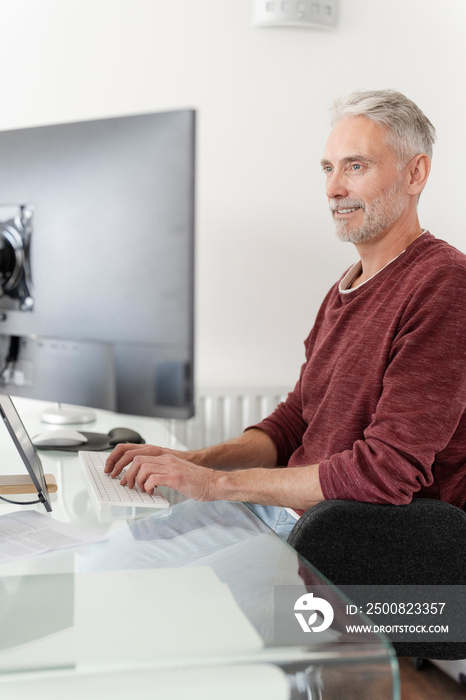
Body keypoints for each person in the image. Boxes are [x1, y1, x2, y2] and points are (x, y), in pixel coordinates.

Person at [105, 89, 466, 538]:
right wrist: (188, 462)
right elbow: (294, 422)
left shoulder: (445, 283)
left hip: (338, 540)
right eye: (328, 169)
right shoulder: (347, 286)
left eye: (356, 166)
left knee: (115, 565)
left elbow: (385, 471)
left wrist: (215, 484)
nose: (334, 188)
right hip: (280, 515)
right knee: (112, 542)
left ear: (416, 173)